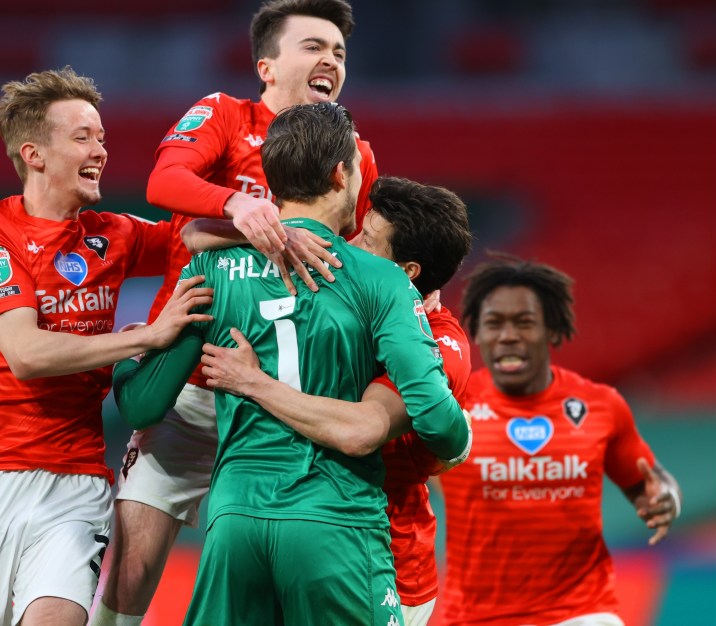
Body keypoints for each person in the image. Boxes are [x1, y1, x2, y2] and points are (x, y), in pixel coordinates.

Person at [112, 103, 471, 625]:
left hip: (236, 520)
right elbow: (440, 425)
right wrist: (453, 450)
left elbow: (142, 405)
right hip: (337, 518)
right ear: (341, 174)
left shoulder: (212, 267)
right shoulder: (382, 280)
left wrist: (133, 351)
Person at [96, 2, 378, 622]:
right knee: (131, 572)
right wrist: (239, 209)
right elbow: (163, 183)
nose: (330, 60)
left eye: (339, 52)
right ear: (267, 67)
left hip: (281, 405)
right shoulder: (226, 115)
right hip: (191, 389)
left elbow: (353, 255)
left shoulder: (355, 151)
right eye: (313, 47)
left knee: (276, 581)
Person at [0, 67, 212, 626]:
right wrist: (145, 338)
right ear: (34, 153)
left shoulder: (113, 233)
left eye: (101, 137)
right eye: (82, 137)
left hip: (77, 480)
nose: (100, 149)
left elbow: (191, 237)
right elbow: (26, 354)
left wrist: (267, 215)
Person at [188, 175, 473, 626]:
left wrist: (252, 382)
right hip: (299, 526)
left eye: (368, 239)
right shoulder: (349, 291)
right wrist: (270, 228)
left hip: (383, 553)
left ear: (408, 273)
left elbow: (359, 430)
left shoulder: (437, 346)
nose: (349, 242)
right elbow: (192, 233)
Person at [438, 255, 682, 626]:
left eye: (524, 322)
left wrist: (666, 499)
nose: (508, 335)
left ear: (552, 330)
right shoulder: (452, 405)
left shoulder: (600, 405)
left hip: (581, 612)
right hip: (476, 616)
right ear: (478, 332)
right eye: (493, 323)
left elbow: (651, 481)